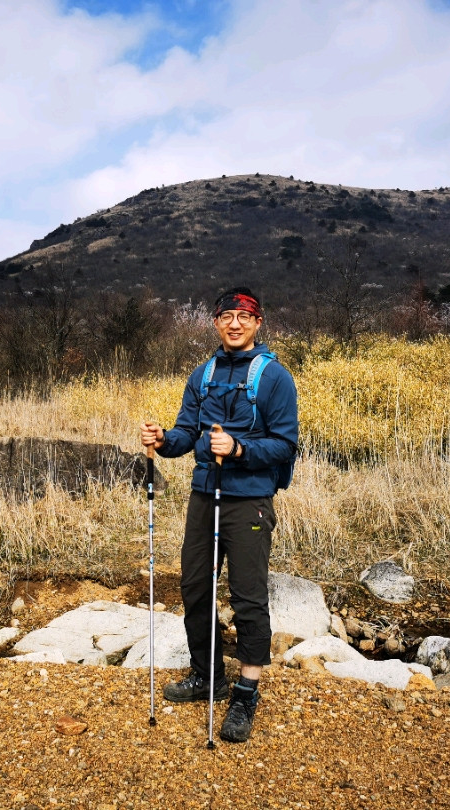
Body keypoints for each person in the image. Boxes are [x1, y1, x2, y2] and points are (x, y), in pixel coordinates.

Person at [140, 286, 298, 743]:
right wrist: (162, 440)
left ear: (257, 323)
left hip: (248, 501)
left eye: (243, 317)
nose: (234, 324)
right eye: (226, 316)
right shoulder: (202, 373)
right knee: (194, 586)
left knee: (248, 596)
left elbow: (286, 444)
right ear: (215, 322)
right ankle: (209, 676)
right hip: (203, 496)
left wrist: (241, 447)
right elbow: (186, 433)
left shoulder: (274, 378)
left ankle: (246, 692)